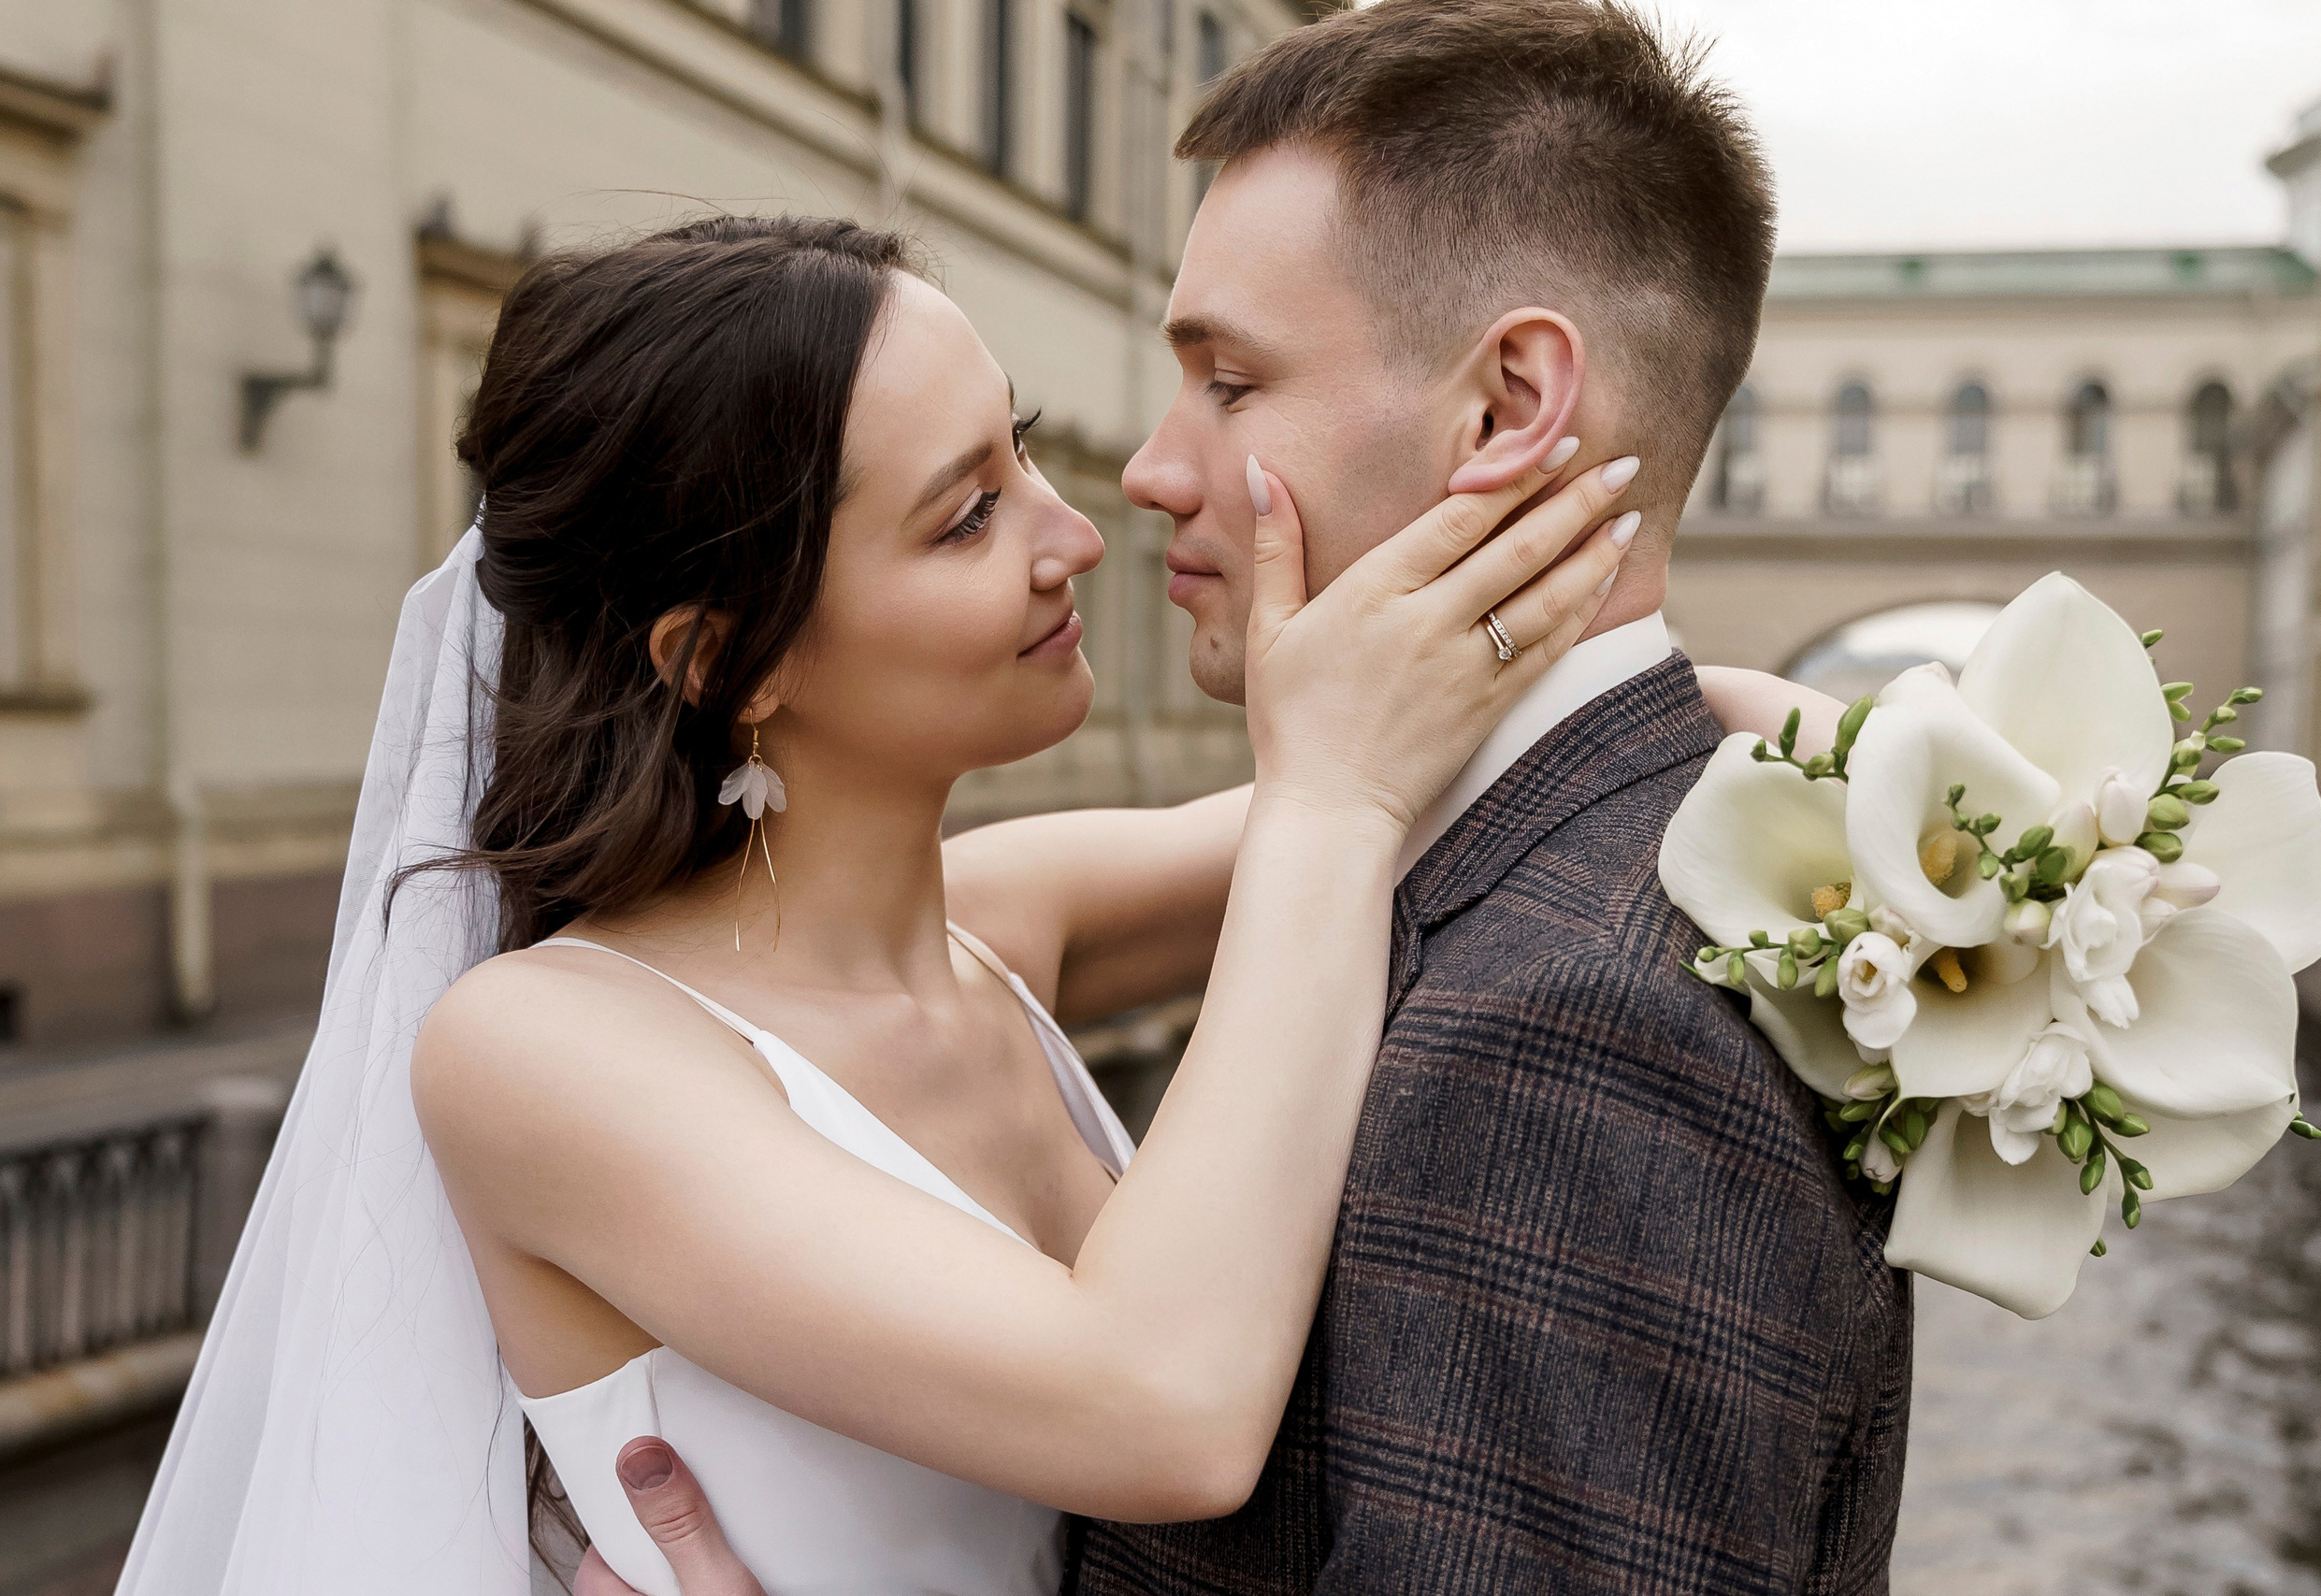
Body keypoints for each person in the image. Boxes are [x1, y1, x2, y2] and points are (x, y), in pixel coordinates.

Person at [122, 208, 1766, 1596]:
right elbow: (1169, 1413)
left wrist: (1915, 791)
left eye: (1026, 450)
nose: (1075, 535)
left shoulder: (1005, 920)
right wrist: (1332, 791)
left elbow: (1502, 752)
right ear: (731, 660)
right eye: (969, 512)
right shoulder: (539, 1053)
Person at [577, 3, 1902, 1591]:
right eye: (966, 509)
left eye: (1230, 377)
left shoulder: (1565, 1024)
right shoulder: (1596, 867)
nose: (1132, 482)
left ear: (1504, 408)